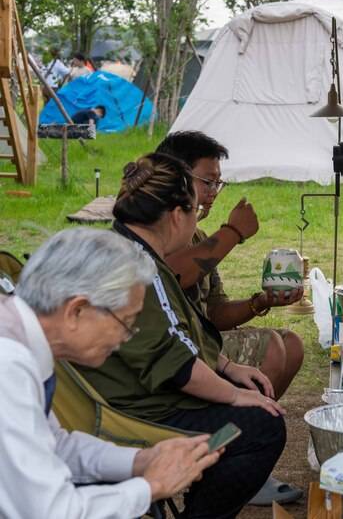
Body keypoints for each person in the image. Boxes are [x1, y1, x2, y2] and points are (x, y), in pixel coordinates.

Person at [79, 153, 287, 518]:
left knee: (250, 407)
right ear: (177, 215)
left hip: (124, 398)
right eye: (195, 210)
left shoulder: (125, 248)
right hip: (136, 413)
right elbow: (177, 365)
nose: (197, 219)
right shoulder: (138, 268)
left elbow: (175, 333)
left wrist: (227, 366)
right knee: (262, 427)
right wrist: (235, 395)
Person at [0, 228, 220, 519]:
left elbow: (54, 444)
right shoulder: (9, 365)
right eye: (126, 321)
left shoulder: (24, 338)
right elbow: (49, 511)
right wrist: (151, 487)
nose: (126, 337)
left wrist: (141, 460)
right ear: (77, 310)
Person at [157, 130, 305, 505]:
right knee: (272, 347)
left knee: (292, 343)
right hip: (173, 356)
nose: (213, 192)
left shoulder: (197, 234)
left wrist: (261, 302)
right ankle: (232, 459)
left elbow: (216, 312)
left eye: (218, 183)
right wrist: (233, 232)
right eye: (207, 181)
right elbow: (171, 277)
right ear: (176, 177)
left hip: (198, 342)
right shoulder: (158, 229)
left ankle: (240, 454)